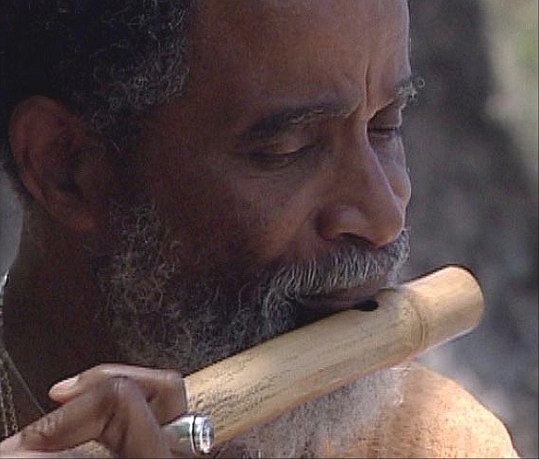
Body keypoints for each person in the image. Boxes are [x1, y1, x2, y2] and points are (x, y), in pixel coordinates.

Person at [0, 0, 519, 457]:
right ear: (66, 168)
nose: (385, 218)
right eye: (287, 149)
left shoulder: (439, 443)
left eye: (385, 127)